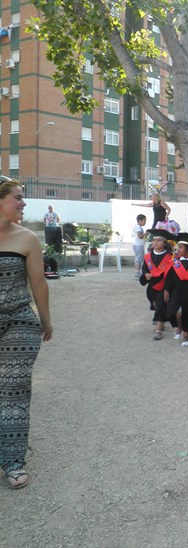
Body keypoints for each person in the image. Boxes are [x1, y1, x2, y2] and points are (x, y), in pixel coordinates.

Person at [0, 177, 52, 490]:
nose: (23, 203)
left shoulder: (27, 238)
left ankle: (13, 461)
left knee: (14, 392)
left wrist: (45, 322)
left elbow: (38, 283)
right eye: (17, 197)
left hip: (18, 324)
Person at [139, 229, 176, 341]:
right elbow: (145, 269)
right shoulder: (148, 256)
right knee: (156, 305)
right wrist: (146, 275)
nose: (155, 242)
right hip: (152, 286)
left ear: (164, 243)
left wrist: (168, 288)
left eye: (159, 240)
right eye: (154, 240)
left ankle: (158, 330)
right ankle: (162, 322)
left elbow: (173, 273)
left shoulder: (171, 257)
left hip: (165, 285)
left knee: (161, 305)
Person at [132, 214, 147, 279]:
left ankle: (138, 272)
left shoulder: (137, 227)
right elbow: (140, 236)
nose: (145, 222)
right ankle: (137, 274)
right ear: (140, 221)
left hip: (137, 245)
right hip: (138, 245)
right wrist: (146, 233)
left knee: (139, 258)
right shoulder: (138, 227)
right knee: (138, 259)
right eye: (144, 220)